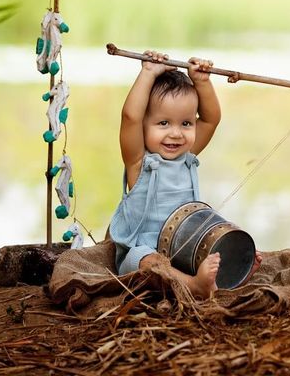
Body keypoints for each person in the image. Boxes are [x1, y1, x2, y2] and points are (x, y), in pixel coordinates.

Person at [109, 50, 260, 298]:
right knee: (151, 263)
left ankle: (235, 272)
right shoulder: (139, 162)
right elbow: (130, 117)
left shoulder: (187, 157)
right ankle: (194, 286)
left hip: (185, 248)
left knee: (220, 239)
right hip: (142, 251)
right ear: (144, 126)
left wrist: (202, 81)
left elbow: (211, 119)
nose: (176, 134)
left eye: (186, 123)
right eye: (163, 123)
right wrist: (147, 73)